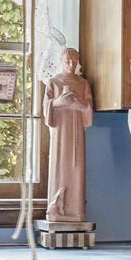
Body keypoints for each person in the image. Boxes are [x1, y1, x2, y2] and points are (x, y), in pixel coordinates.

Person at [43, 48, 93, 226]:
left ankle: (75, 211)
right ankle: (56, 207)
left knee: (76, 167)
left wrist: (80, 106)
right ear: (61, 60)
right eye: (68, 61)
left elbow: (88, 110)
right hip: (60, 134)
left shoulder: (83, 84)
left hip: (76, 134)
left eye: (75, 62)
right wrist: (59, 103)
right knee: (59, 168)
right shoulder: (54, 82)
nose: (72, 65)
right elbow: (47, 108)